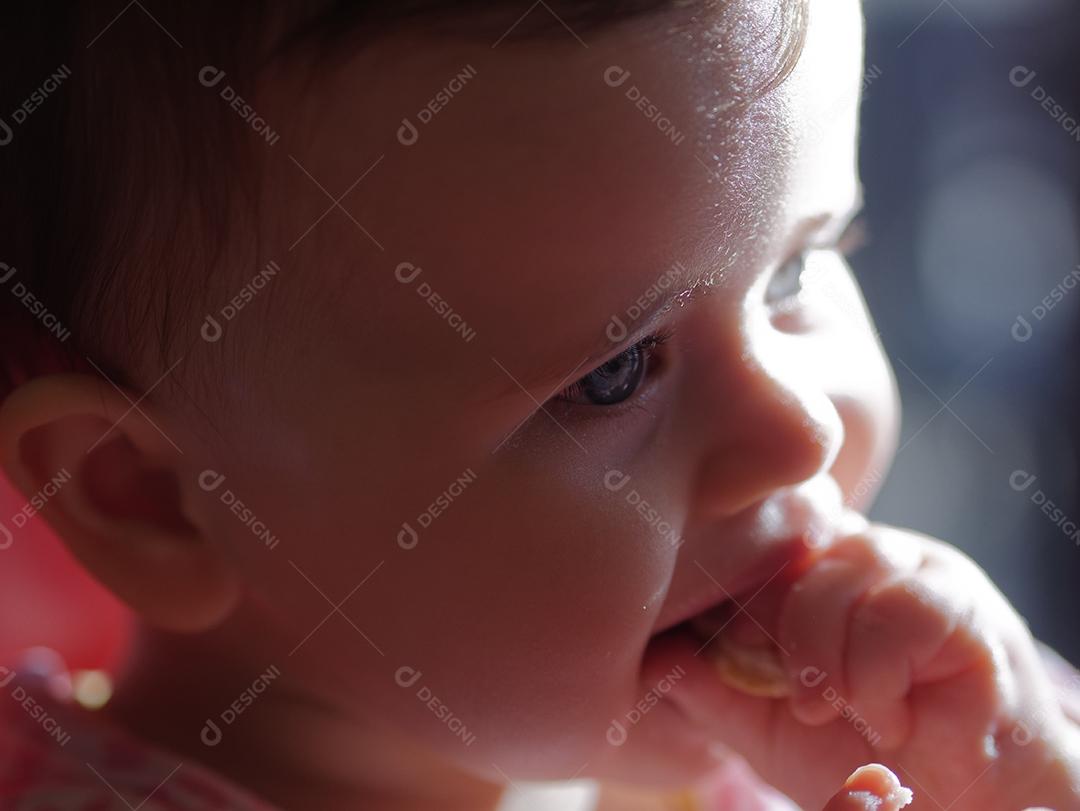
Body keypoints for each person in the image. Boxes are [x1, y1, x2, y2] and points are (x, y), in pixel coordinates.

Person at [0, 1, 1077, 808]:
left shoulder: (825, 729)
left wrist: (1014, 776)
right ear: (153, 498)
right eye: (616, 372)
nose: (802, 430)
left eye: (792, 271)